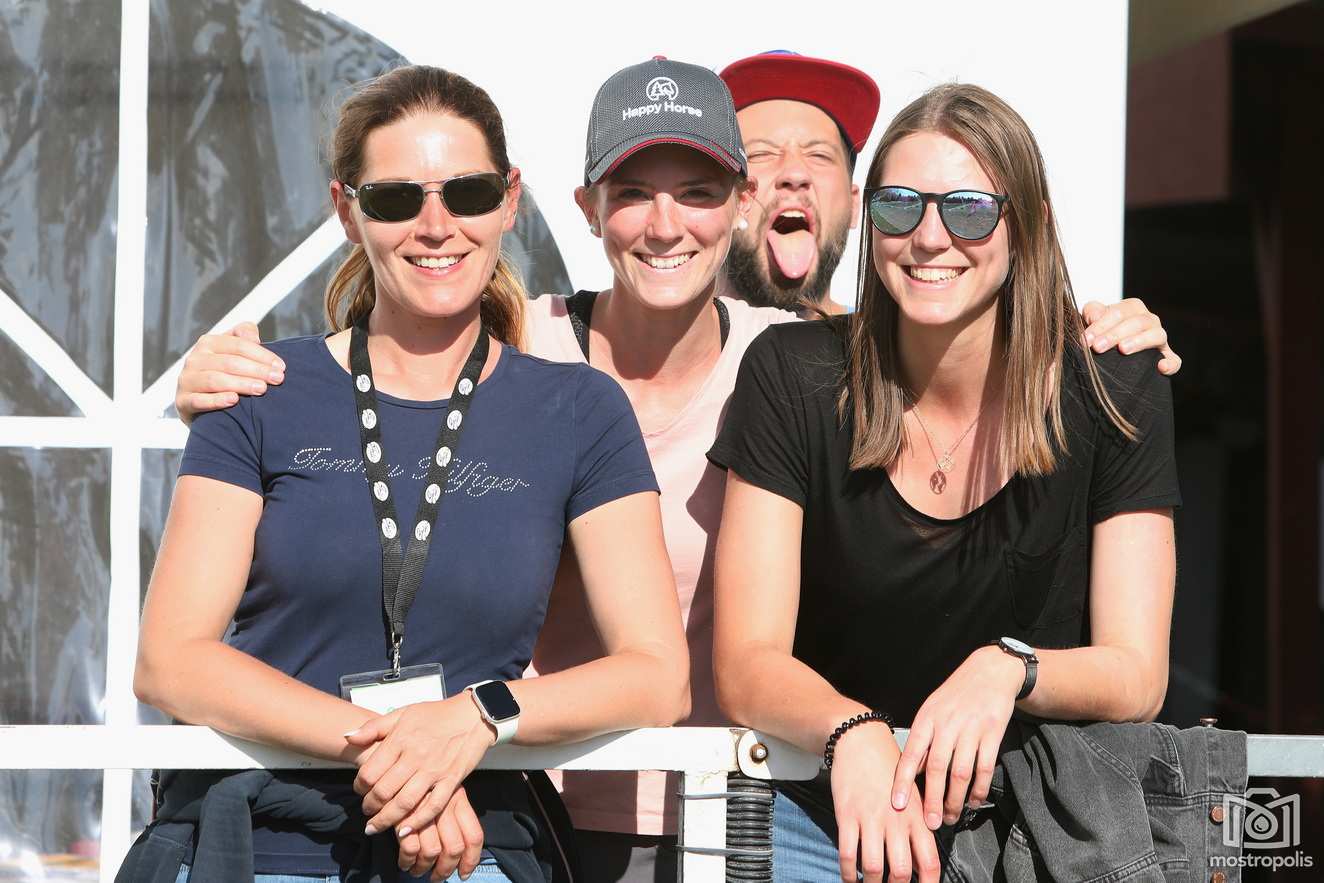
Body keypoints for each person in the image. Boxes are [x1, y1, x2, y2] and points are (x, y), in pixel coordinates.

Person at [167, 60, 1180, 883]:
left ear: (739, 205)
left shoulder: (788, 356)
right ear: (582, 206)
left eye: (697, 192)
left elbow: (931, 320)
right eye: (632, 193)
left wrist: (1105, 330)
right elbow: (396, 366)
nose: (664, 223)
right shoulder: (533, 358)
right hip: (533, 800)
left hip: (715, 799)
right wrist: (215, 385)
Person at [129, 65, 689, 883]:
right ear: (346, 211)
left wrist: (475, 717)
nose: (435, 226)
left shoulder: (578, 409)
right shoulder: (257, 390)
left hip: (471, 849)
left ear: (509, 200)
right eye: (395, 199)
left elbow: (657, 674)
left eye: (467, 193)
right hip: (259, 840)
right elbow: (170, 659)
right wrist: (400, 752)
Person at [707, 82, 1180, 882]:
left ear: (1025, 226)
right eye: (899, 206)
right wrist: (851, 731)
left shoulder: (1112, 385)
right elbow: (746, 661)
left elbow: (1138, 673)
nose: (929, 238)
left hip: (1037, 814)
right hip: (823, 804)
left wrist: (1011, 667)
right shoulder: (794, 375)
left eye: (968, 210)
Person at [717, 51, 1182, 379]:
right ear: (729, 198)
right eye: (762, 153)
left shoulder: (902, 351)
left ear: (859, 204)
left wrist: (1118, 347)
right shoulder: (675, 357)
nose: (795, 174)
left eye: (819, 155)